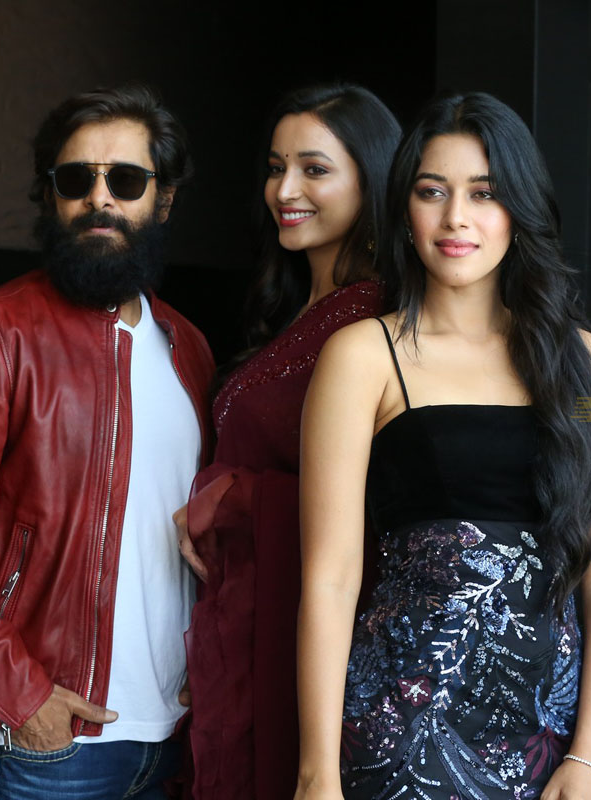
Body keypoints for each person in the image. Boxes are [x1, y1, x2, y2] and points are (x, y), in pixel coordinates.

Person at [294, 93, 591, 800]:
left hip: (548, 742)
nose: (456, 217)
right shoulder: (362, 356)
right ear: (405, 211)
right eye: (432, 192)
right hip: (399, 731)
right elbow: (330, 578)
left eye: (484, 193)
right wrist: (316, 772)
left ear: (519, 209)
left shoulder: (587, 365)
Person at [0, 84, 216, 800]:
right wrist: (20, 696)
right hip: (45, 745)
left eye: (125, 180)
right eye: (75, 180)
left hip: (174, 738)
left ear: (163, 200)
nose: (99, 199)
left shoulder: (187, 347)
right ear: (49, 196)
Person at [176, 83, 400, 800]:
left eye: (314, 169)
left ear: (372, 180)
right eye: (276, 168)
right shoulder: (299, 309)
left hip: (308, 629)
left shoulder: (376, 323)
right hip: (245, 619)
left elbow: (380, 501)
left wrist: (231, 498)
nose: (285, 190)